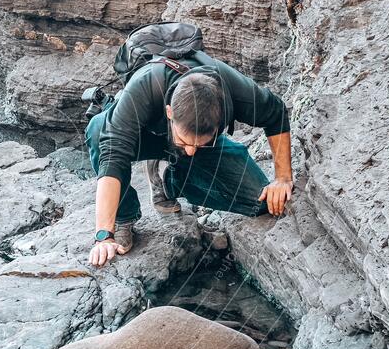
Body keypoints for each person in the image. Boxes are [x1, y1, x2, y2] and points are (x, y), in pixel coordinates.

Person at [85, 53, 293, 268]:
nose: (191, 151)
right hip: (146, 133)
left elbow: (276, 113)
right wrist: (104, 235)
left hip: (191, 133)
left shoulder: (238, 92)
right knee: (98, 131)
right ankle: (125, 216)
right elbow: (113, 157)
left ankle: (168, 180)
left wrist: (283, 178)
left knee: (260, 202)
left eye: (200, 144)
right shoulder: (145, 87)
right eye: (186, 143)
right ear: (169, 112)